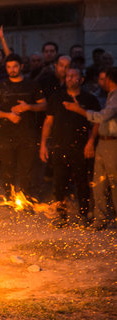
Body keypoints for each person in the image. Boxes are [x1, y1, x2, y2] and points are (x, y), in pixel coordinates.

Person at [40, 67, 100, 227]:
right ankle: (61, 216)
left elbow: (96, 123)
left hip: (80, 148)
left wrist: (90, 142)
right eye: (67, 76)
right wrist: (43, 145)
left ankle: (84, 214)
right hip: (60, 147)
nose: (70, 79)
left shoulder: (89, 99)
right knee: (59, 183)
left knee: (82, 182)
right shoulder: (57, 97)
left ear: (81, 79)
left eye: (74, 76)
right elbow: (48, 122)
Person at [63, 67, 117, 230]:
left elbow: (102, 117)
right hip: (102, 142)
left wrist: (79, 110)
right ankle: (100, 219)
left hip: (112, 144)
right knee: (98, 183)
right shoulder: (109, 96)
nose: (102, 82)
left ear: (109, 79)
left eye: (103, 79)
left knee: (114, 183)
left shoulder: (116, 97)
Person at [0, 54, 46, 198]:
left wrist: (28, 107)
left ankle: (27, 197)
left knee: (27, 167)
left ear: (21, 66)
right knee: (7, 167)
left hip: (27, 133)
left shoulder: (32, 85)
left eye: (15, 66)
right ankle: (10, 197)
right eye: (8, 67)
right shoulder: (0, 87)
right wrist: (8, 115)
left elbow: (44, 105)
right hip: (7, 134)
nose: (12, 70)